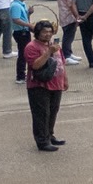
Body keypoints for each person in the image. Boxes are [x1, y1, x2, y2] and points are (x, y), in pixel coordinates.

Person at [24, 20, 67, 151]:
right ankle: (42, 141)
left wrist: (65, 79)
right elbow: (35, 65)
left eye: (50, 32)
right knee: (41, 114)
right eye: (44, 32)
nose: (48, 35)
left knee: (53, 111)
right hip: (39, 86)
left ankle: (49, 135)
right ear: (37, 33)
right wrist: (48, 52)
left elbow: (61, 63)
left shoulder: (54, 45)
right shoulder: (31, 47)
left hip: (56, 84)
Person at [54, 0, 80, 64]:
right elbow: (71, 4)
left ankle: (69, 52)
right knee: (68, 36)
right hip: (69, 16)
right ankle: (66, 56)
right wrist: (77, 16)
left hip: (63, 15)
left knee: (69, 35)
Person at [9, 0, 32, 84]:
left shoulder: (22, 4)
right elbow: (16, 19)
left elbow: (23, 17)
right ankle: (20, 76)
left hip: (24, 31)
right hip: (20, 32)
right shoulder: (15, 6)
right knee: (23, 54)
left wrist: (29, 13)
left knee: (25, 53)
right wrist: (29, 25)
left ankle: (23, 74)